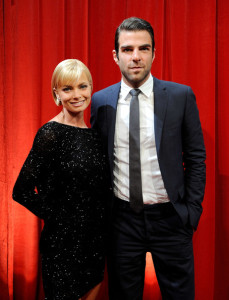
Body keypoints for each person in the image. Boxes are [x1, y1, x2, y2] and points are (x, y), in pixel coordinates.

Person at [91, 17, 206, 300]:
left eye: (144, 48)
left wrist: (190, 211)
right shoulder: (100, 101)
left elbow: (195, 157)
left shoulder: (180, 96)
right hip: (122, 221)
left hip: (171, 219)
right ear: (116, 55)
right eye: (128, 49)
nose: (136, 57)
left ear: (154, 52)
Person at [13, 59, 110, 300]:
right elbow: (21, 190)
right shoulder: (50, 134)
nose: (77, 95)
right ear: (56, 92)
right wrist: (60, 217)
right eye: (67, 89)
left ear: (91, 88)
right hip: (61, 246)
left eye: (82, 86)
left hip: (94, 244)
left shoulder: (96, 137)